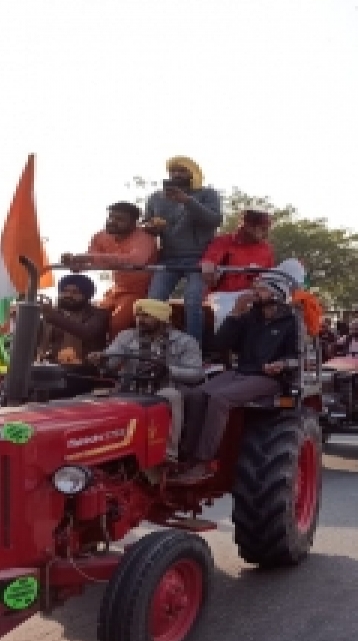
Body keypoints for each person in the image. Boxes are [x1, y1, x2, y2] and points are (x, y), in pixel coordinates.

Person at [176, 271, 300, 482]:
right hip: (242, 371)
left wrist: (282, 364)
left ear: (276, 294)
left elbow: (297, 357)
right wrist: (234, 314)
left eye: (260, 290)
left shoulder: (291, 321)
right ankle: (185, 454)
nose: (254, 293)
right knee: (196, 394)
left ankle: (205, 461)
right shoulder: (249, 317)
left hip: (269, 378)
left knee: (220, 399)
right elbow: (220, 344)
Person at [88, 299, 203, 462]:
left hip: (163, 387)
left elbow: (197, 373)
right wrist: (100, 359)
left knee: (172, 396)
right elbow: (111, 362)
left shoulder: (185, 341)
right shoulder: (126, 336)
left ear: (163, 319)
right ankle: (104, 451)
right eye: (138, 315)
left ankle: (169, 454)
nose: (140, 320)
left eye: (147, 316)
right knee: (94, 399)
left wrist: (169, 371)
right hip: (129, 388)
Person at [144, 156, 223, 345]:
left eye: (182, 171)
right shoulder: (156, 198)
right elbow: (146, 223)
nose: (177, 174)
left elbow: (214, 220)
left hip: (199, 258)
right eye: (173, 171)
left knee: (193, 301)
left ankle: (193, 348)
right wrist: (151, 227)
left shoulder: (207, 194)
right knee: (153, 302)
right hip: (168, 258)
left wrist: (188, 201)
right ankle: (151, 347)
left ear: (193, 172)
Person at [62, 202, 159, 337]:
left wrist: (88, 258)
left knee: (117, 323)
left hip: (139, 291)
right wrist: (75, 264)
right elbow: (92, 261)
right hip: (116, 290)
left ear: (133, 223)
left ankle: (114, 357)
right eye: (111, 217)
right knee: (92, 318)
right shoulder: (100, 236)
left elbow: (136, 260)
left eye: (120, 219)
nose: (112, 222)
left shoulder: (144, 238)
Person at [202, 209, 276, 332]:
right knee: (225, 316)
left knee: (275, 313)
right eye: (263, 229)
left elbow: (269, 277)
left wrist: (261, 288)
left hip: (253, 294)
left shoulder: (266, 249)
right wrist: (209, 268)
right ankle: (224, 348)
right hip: (223, 294)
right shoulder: (223, 242)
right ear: (248, 227)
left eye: (268, 229)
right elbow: (208, 266)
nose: (266, 233)